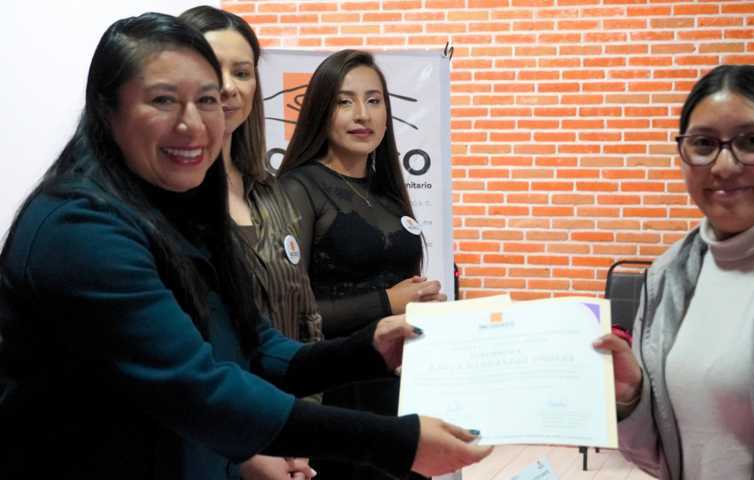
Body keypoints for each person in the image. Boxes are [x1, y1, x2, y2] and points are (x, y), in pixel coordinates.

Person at [0, 13, 492, 480]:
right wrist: (397, 442)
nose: (192, 124)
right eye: (163, 100)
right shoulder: (81, 228)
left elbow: (256, 348)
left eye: (208, 99)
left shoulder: (183, 208)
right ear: (107, 111)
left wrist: (368, 350)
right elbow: (199, 389)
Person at [594, 64, 754, 479]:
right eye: (703, 144)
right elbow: (664, 458)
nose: (724, 166)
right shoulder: (670, 274)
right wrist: (632, 398)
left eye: (752, 142)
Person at [278, 49, 446, 479]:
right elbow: (289, 315)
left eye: (374, 100)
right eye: (344, 101)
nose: (362, 114)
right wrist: (387, 303)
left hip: (402, 387)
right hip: (337, 393)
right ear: (320, 111)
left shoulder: (386, 191)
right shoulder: (300, 188)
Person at [178, 6, 322, 479]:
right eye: (210, 69)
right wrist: (243, 455)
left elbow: (303, 318)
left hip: (283, 431)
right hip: (213, 448)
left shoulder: (270, 190)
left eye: (242, 72)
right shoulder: (170, 200)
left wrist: (299, 430)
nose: (228, 87)